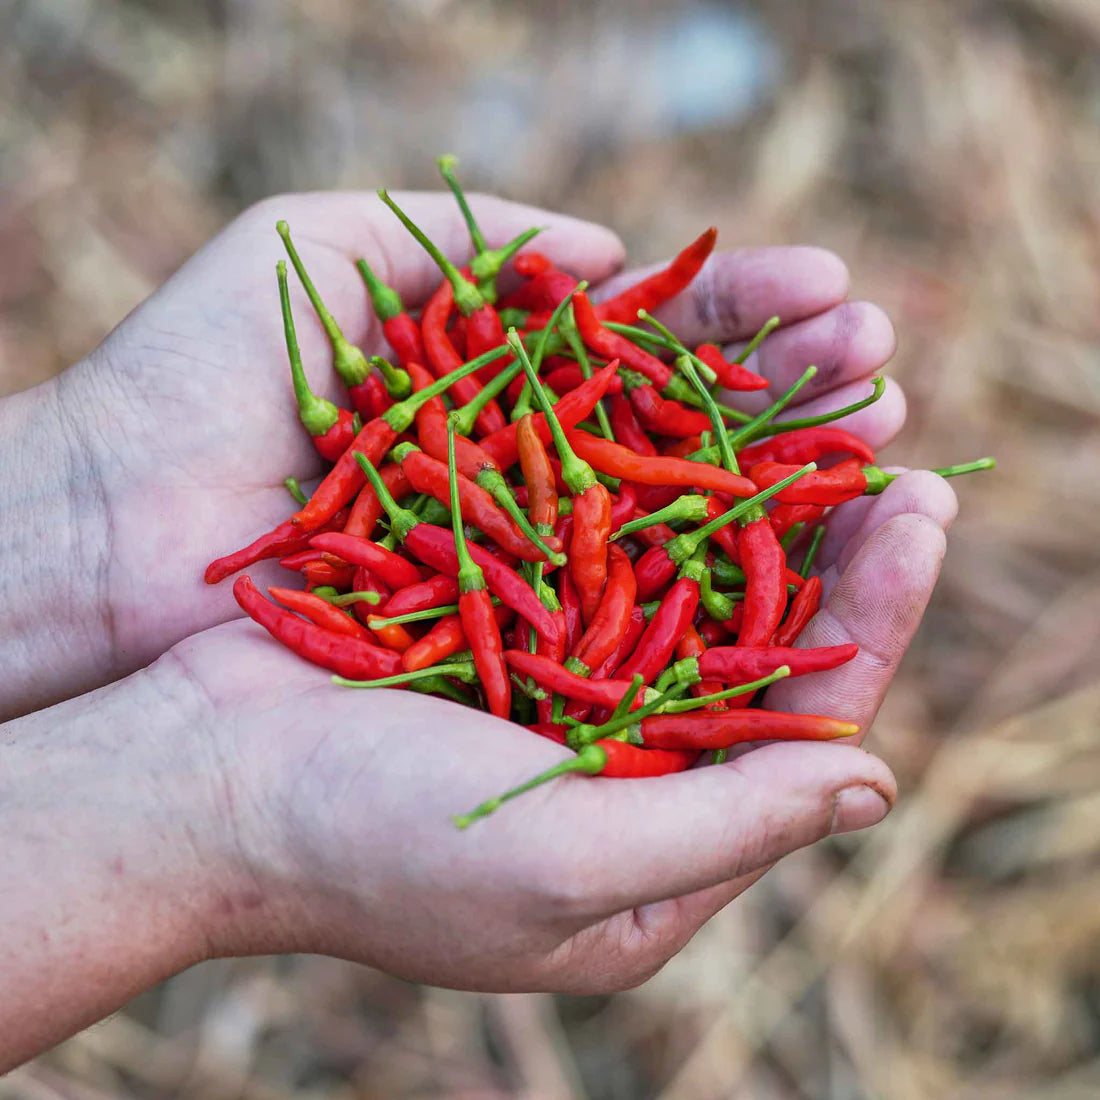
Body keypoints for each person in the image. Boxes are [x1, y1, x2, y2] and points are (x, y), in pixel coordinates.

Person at [0, 190, 958, 1071]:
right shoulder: (463, 483)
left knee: (698, 566)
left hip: (577, 590)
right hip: (531, 579)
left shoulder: (611, 498)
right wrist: (87, 493)